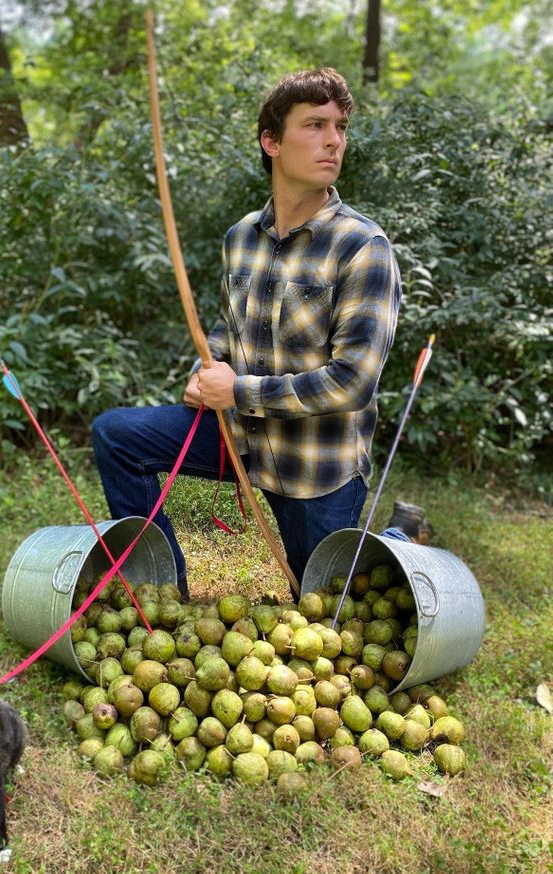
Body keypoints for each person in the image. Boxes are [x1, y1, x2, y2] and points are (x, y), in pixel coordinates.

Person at [92, 68, 402, 599]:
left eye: (340, 126)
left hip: (314, 465)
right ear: (271, 141)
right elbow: (223, 332)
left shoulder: (362, 246)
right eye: (315, 125)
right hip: (238, 440)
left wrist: (236, 391)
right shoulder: (241, 238)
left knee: (327, 610)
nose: (334, 140)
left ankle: (401, 537)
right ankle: (165, 589)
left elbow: (353, 382)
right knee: (116, 435)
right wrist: (203, 372)